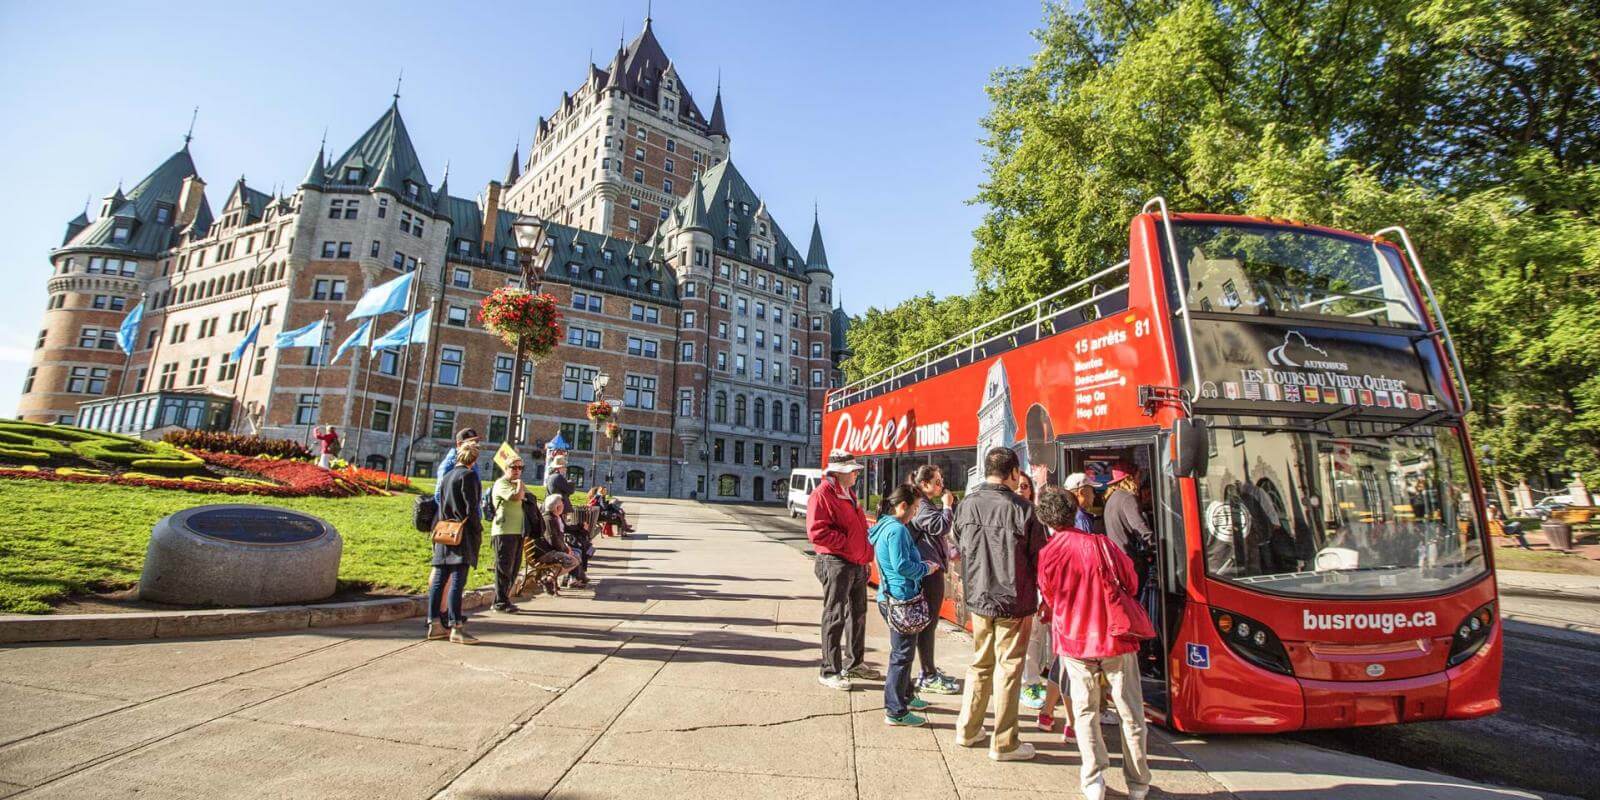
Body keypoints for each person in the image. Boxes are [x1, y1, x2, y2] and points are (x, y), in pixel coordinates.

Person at [1035, 484, 1153, 800]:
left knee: (1085, 710)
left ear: (1046, 521)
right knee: (1130, 711)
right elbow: (1130, 581)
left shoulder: (1048, 554)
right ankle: (1138, 782)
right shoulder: (1102, 544)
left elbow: (1049, 595)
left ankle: (1094, 777)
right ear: (1074, 512)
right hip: (1115, 636)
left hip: (1074, 639)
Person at [953, 447, 1049, 762]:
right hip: (1013, 601)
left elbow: (958, 542)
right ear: (1012, 473)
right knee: (1009, 669)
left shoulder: (966, 505)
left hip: (978, 599)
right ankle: (1005, 742)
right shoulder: (1024, 510)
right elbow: (1040, 559)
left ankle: (968, 730)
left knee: (980, 664)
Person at [807, 448, 880, 691]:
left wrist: (864, 557)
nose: (857, 474)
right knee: (835, 615)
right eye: (852, 471)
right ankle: (829, 670)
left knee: (857, 614)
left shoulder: (847, 492)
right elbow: (817, 532)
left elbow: (858, 529)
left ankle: (855, 662)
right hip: (835, 562)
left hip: (854, 563)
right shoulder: (822, 494)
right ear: (838, 473)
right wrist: (849, 546)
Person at [870, 483, 940, 726]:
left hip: (891, 596)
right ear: (902, 506)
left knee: (904, 652)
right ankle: (895, 709)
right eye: (915, 508)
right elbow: (902, 566)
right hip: (902, 598)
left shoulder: (884, 526)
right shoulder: (898, 530)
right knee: (901, 656)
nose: (915, 514)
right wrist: (926, 568)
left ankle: (906, 695)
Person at [908, 465, 960, 696]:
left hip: (931, 569)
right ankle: (928, 675)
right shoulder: (921, 507)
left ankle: (928, 670)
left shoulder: (924, 505)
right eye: (937, 481)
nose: (941, 485)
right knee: (928, 625)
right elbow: (941, 526)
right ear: (924, 484)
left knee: (929, 624)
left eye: (941, 481)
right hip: (928, 573)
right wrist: (948, 506)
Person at [427, 441, 485, 645]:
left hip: (444, 531)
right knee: (457, 580)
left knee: (439, 578)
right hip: (462, 533)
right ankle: (456, 626)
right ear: (475, 459)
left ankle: (434, 623)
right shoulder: (469, 476)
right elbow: (472, 508)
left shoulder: (447, 477)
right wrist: (477, 530)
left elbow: (440, 504)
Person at [489, 455, 528, 613]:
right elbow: (516, 496)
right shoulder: (502, 483)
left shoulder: (516, 484)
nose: (517, 470)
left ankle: (505, 599)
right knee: (503, 567)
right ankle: (499, 602)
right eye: (514, 467)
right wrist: (519, 483)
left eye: (520, 468)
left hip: (517, 531)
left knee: (513, 567)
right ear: (506, 468)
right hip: (504, 531)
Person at [530, 494, 581, 593]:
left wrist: (567, 548)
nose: (564, 506)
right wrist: (566, 550)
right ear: (557, 507)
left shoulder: (554, 517)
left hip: (549, 550)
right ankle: (548, 580)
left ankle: (549, 580)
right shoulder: (548, 519)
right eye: (562, 504)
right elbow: (552, 540)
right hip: (544, 553)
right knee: (573, 560)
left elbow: (557, 539)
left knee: (576, 556)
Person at [435, 428, 481, 503]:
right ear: (459, 444)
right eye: (470, 442)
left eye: (476, 442)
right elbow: (439, 495)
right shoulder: (449, 464)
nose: (475, 445)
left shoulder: (473, 462)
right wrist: (456, 512)